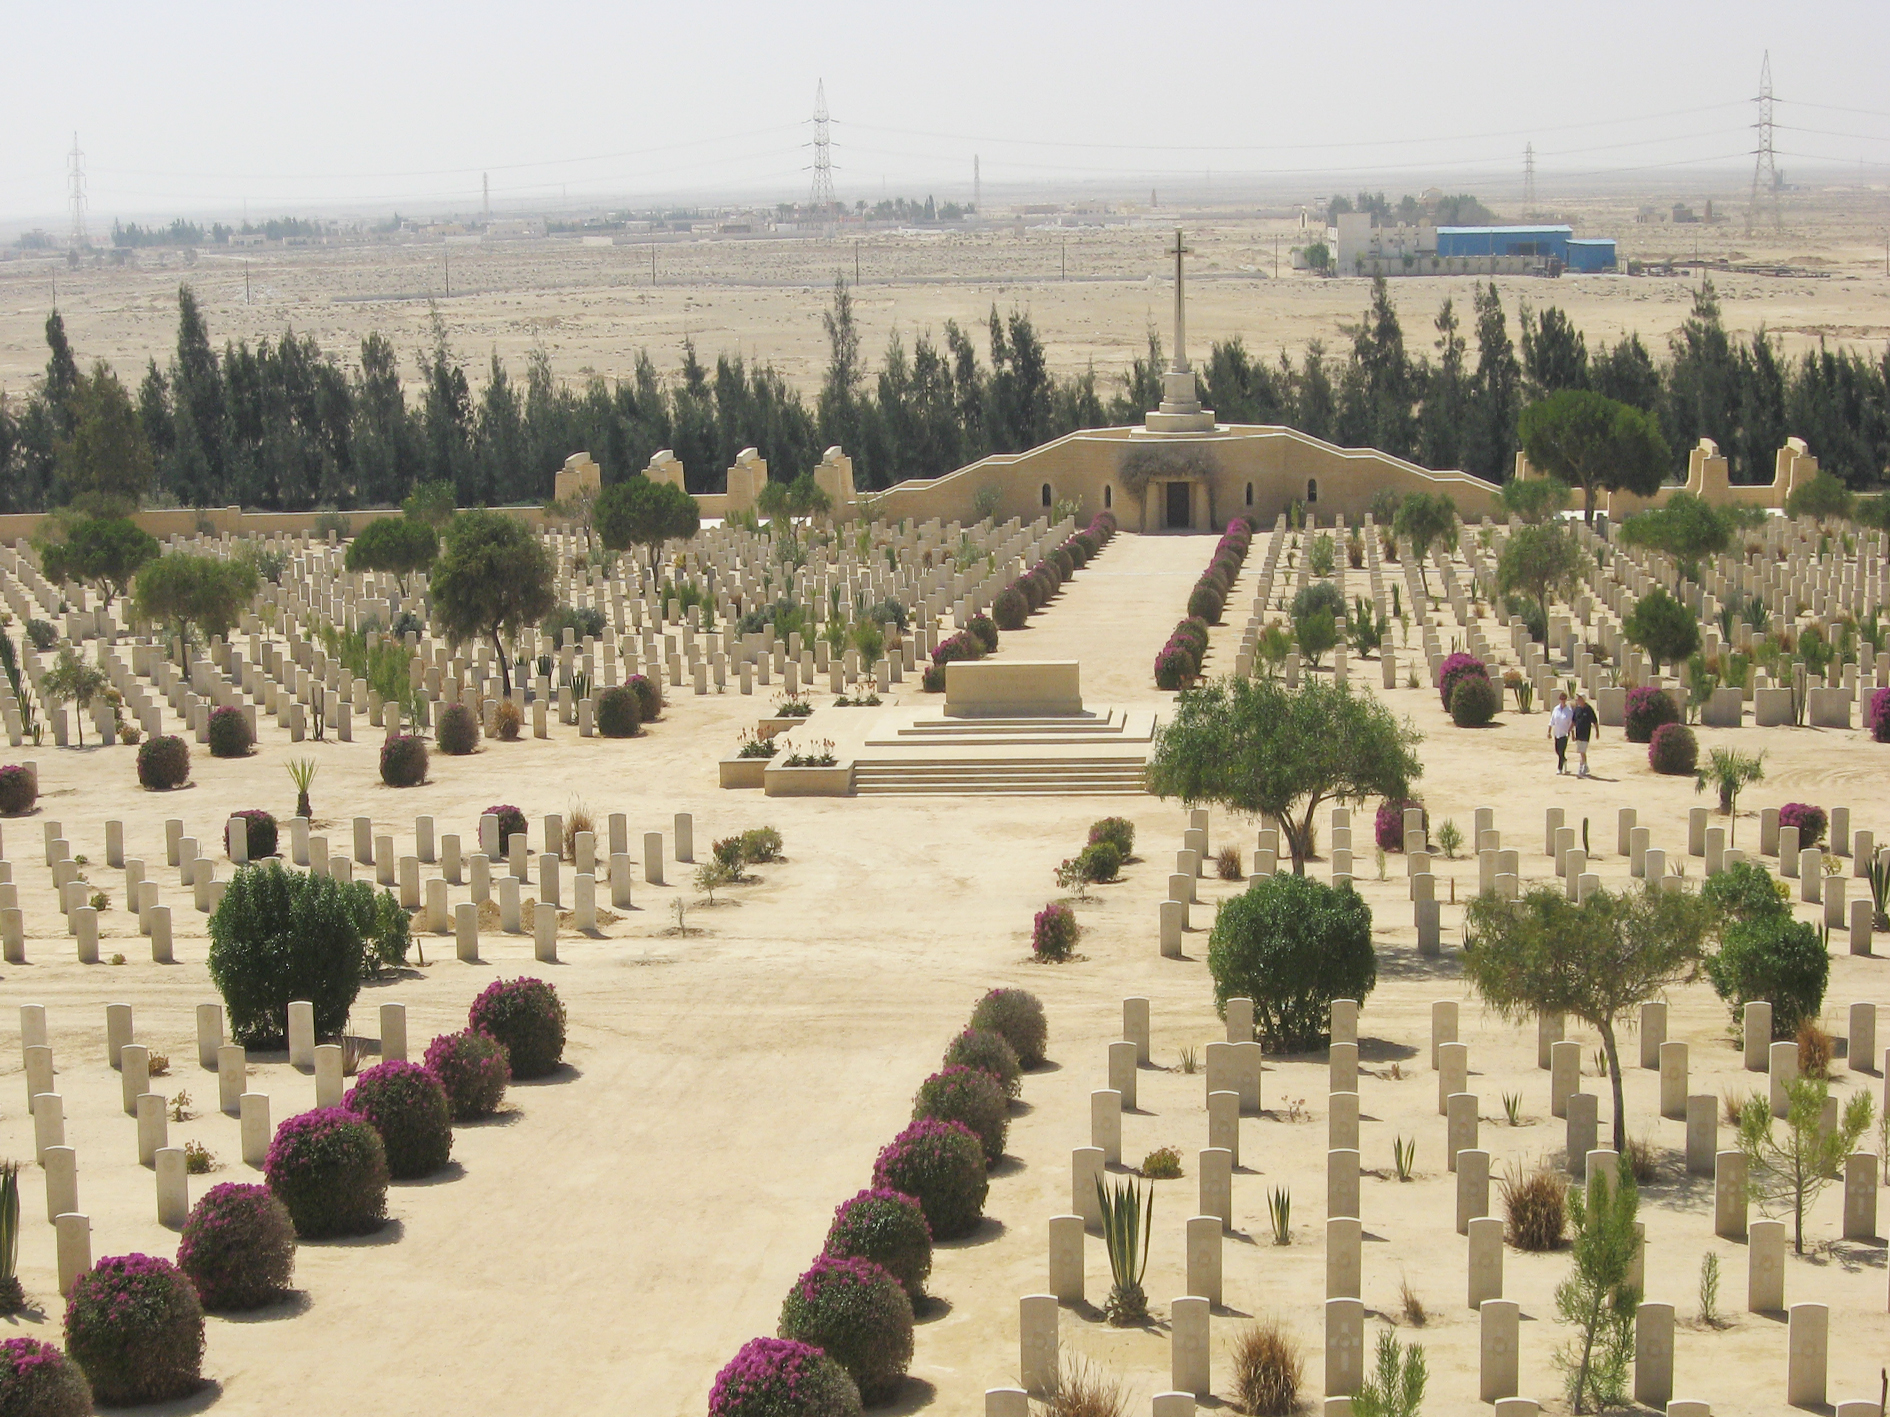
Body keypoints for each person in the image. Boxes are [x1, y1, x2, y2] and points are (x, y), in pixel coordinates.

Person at [1570, 691, 1600, 778]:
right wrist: (1571, 732)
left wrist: (1597, 732)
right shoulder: (1577, 709)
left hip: (1585, 733)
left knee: (1582, 751)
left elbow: (1594, 721)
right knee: (1581, 751)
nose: (1577, 700)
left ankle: (1582, 767)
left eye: (1579, 698)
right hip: (1578, 733)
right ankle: (1585, 766)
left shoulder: (1588, 709)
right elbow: (1573, 722)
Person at [1548, 691, 1573, 774]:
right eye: (1561, 699)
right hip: (1557, 733)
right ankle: (1564, 760)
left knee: (1562, 750)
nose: (1562, 700)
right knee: (1557, 750)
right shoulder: (1556, 709)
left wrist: (1572, 734)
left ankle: (1560, 768)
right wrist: (1549, 731)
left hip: (1564, 734)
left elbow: (1571, 723)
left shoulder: (1569, 711)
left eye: (1564, 699)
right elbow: (1552, 720)